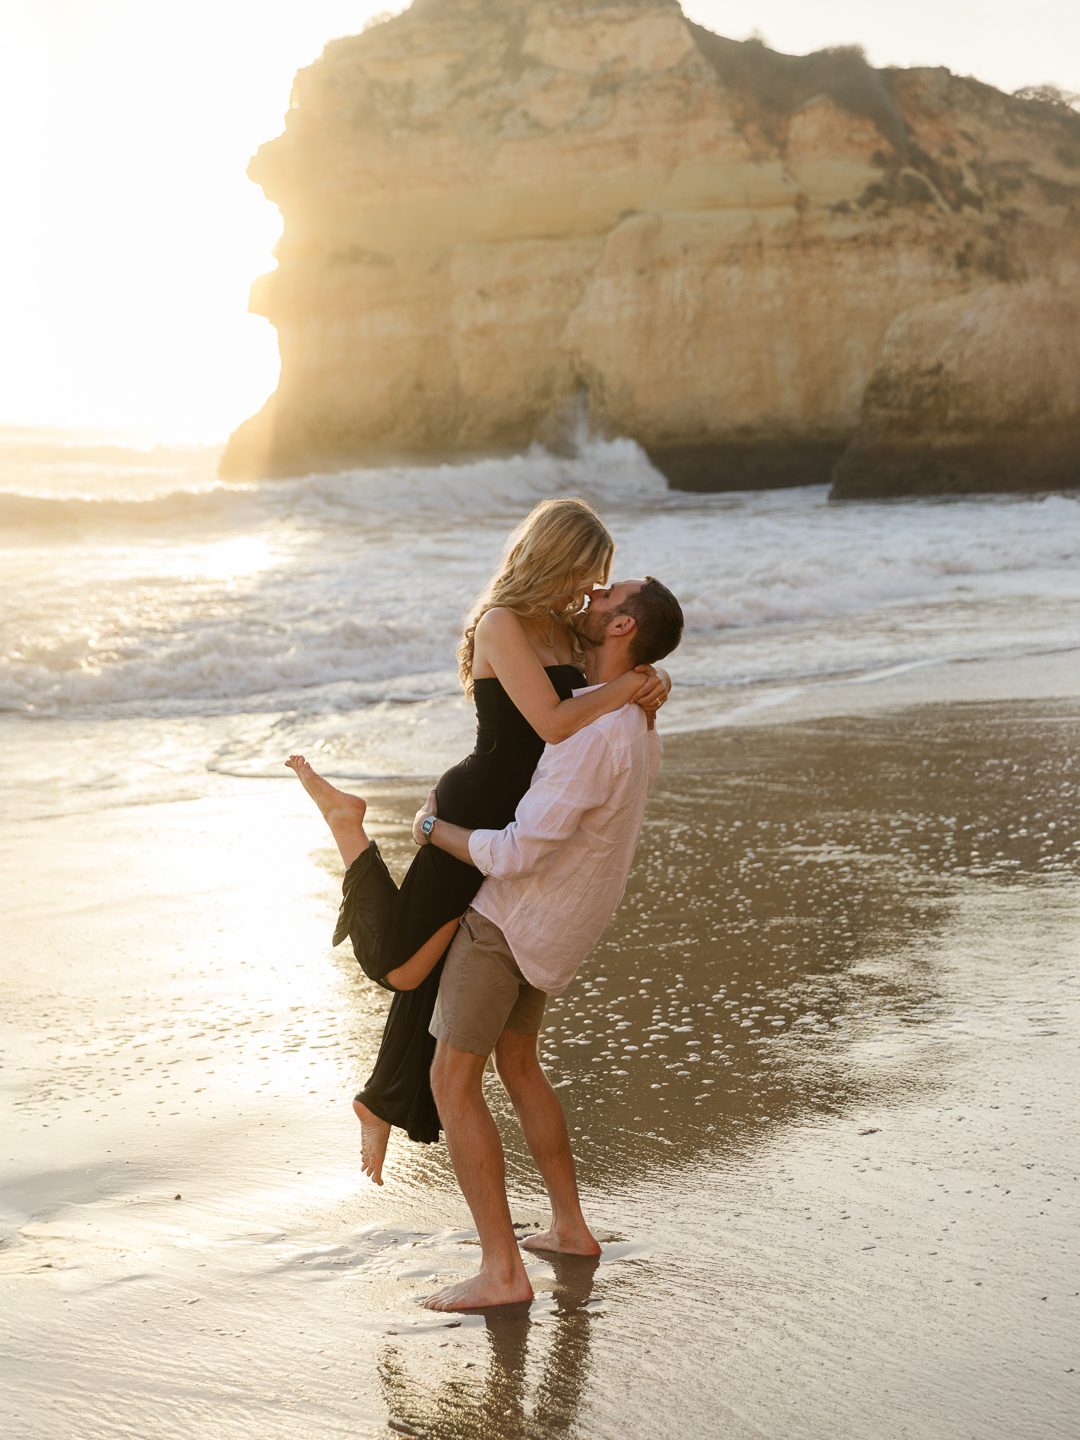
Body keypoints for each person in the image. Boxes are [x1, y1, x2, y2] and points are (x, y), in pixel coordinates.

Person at [285, 499, 671, 1183]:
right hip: (475, 808)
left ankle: (378, 1103)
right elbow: (554, 721)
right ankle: (349, 827)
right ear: (557, 555)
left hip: (510, 825)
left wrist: (648, 677)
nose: (591, 588)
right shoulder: (502, 625)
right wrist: (631, 690)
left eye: (601, 579)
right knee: (399, 968)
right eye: (589, 570)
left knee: (433, 968)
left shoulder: (564, 627)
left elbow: (615, 660)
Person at [410, 576, 684, 1312]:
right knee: (518, 1062)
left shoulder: (592, 733)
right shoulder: (633, 717)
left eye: (606, 595)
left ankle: (501, 1271)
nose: (590, 596)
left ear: (624, 623)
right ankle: (569, 1228)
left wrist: (435, 830)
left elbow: (516, 853)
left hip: (511, 922)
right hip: (561, 924)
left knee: (451, 1082)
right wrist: (646, 678)